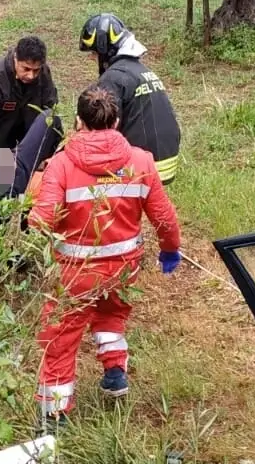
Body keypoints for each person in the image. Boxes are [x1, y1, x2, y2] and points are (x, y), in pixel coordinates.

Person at [28, 85, 182, 424]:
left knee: (60, 339)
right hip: (123, 270)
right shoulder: (141, 160)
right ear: (117, 121)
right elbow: (163, 216)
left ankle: (54, 416)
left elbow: (41, 220)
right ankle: (115, 374)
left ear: (79, 121)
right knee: (112, 316)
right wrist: (170, 250)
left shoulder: (62, 164)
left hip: (74, 272)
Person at [0, 36, 63, 244]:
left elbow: (49, 115)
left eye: (36, 70)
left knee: (33, 192)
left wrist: (45, 156)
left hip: (19, 141)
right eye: (26, 68)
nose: (31, 75)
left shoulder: (42, 75)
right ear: (15, 58)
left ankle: (24, 246)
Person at [78, 13, 181, 184]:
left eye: (94, 53)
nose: (92, 58)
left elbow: (102, 131)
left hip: (139, 171)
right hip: (165, 163)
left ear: (105, 51)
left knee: (81, 178)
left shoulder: (113, 78)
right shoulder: (142, 71)